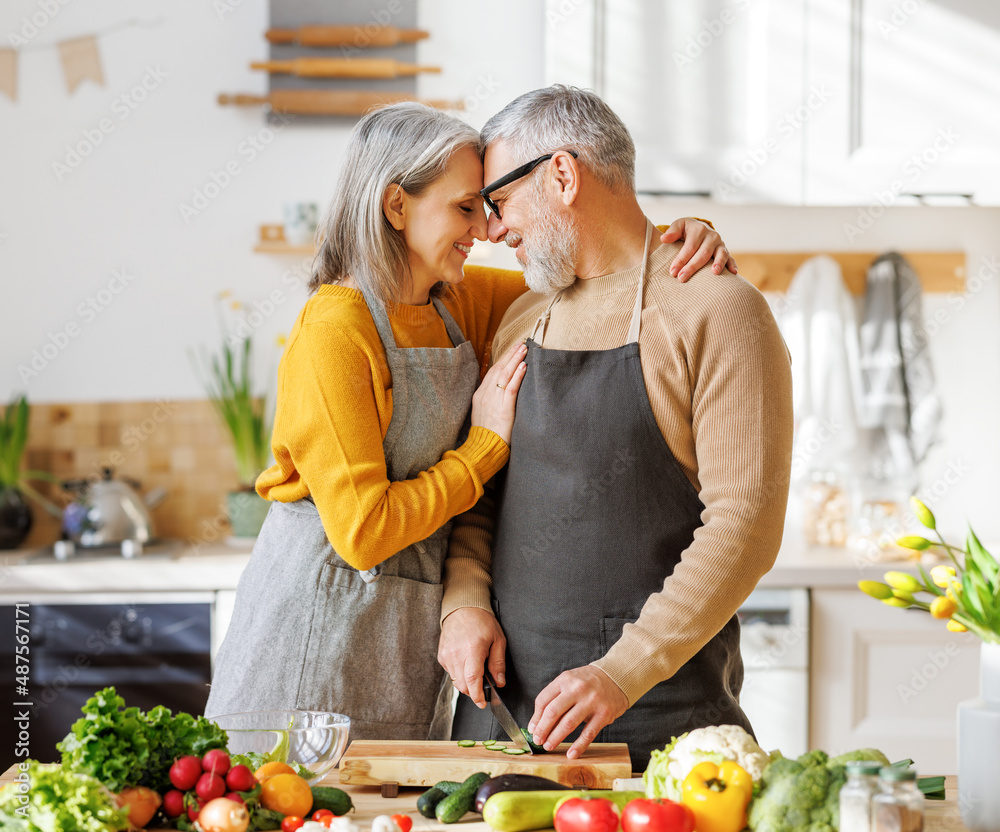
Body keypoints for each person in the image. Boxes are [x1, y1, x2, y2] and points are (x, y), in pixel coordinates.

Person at [204, 101, 734, 741]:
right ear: (396, 206)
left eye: (487, 207)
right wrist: (483, 448)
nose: (485, 229)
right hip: (313, 637)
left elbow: (600, 272)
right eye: (464, 208)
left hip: (406, 642)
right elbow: (364, 532)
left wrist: (680, 235)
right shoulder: (334, 329)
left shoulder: (459, 300)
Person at [438, 86, 795, 769]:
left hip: (660, 727)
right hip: (501, 722)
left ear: (563, 176)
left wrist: (621, 672)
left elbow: (744, 525)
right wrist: (462, 606)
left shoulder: (717, 309)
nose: (491, 229)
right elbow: (481, 498)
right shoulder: (519, 317)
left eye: (500, 202)